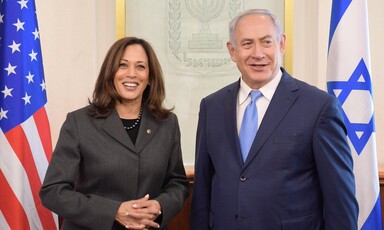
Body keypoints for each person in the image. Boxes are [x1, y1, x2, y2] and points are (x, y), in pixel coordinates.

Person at [190, 9, 358, 230]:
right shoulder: (211, 107)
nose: (258, 53)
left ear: (281, 44)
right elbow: (202, 192)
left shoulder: (319, 107)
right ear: (232, 51)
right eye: (247, 44)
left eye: (266, 42)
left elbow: (341, 203)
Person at [40, 37, 190, 230]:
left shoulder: (167, 124)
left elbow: (177, 183)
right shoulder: (79, 123)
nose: (131, 74)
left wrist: (160, 205)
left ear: (150, 77)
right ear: (110, 73)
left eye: (141, 67)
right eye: (123, 65)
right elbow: (53, 191)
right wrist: (113, 211)